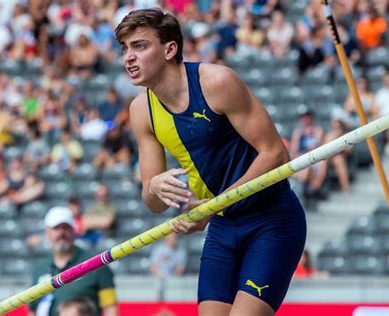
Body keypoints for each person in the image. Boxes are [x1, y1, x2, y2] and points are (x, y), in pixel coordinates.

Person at [115, 8, 306, 316]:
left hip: (271, 220)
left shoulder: (216, 81)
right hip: (222, 228)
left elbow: (275, 153)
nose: (128, 57)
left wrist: (211, 207)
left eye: (139, 46)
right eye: (124, 49)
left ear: (170, 49)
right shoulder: (141, 111)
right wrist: (153, 186)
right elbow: (154, 204)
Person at [29, 206, 118, 316]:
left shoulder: (96, 264)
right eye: (56, 228)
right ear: (47, 232)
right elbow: (32, 311)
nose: (61, 233)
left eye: (66, 227)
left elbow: (110, 308)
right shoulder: (40, 269)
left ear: (74, 230)